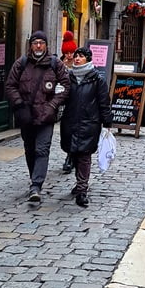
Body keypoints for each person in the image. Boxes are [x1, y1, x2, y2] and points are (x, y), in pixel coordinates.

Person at [6, 31, 70, 204]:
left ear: (46, 45)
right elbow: (10, 85)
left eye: (42, 42)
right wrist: (19, 105)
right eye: (36, 43)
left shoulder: (55, 64)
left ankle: (36, 185)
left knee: (42, 149)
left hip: (46, 115)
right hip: (27, 115)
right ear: (31, 45)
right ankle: (35, 176)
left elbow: (65, 86)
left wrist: (53, 105)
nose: (39, 46)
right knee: (30, 149)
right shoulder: (22, 63)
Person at [59, 47, 112, 208]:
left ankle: (82, 189)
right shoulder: (69, 77)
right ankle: (79, 183)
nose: (77, 59)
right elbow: (63, 98)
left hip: (89, 122)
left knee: (84, 155)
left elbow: (104, 102)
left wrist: (107, 122)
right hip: (70, 121)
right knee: (74, 153)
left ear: (88, 59)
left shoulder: (97, 79)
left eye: (81, 56)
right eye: (76, 56)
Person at [60, 30, 78, 173]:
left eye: (71, 52)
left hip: (77, 103)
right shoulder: (59, 64)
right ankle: (69, 154)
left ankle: (70, 158)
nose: (69, 55)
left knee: (74, 132)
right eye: (67, 53)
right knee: (66, 132)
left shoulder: (79, 64)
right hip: (64, 103)